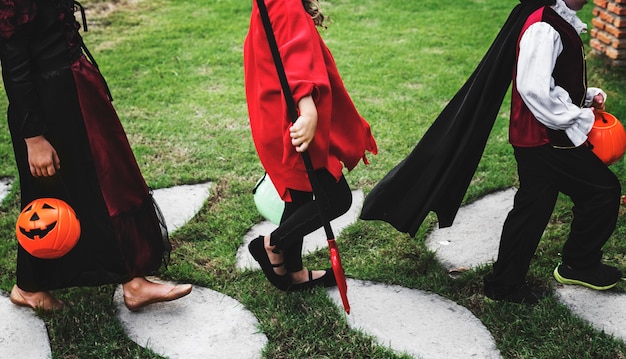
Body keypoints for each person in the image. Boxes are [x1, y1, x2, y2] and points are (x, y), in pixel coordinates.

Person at [0, 0, 191, 311]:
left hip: (75, 90)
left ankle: (131, 280)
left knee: (107, 181)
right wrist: (33, 137)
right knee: (69, 193)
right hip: (52, 106)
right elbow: (15, 68)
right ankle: (32, 286)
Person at [483, 0, 622, 304]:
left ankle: (503, 284)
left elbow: (551, 80)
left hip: (538, 138)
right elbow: (534, 91)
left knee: (533, 207)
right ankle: (578, 264)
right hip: (545, 139)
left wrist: (584, 96)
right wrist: (580, 119)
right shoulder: (544, 27)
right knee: (603, 191)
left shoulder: (554, 19)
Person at [243, 0, 377, 291]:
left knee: (301, 198)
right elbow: (294, 55)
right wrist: (308, 108)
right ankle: (271, 245)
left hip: (273, 116)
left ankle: (293, 272)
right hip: (292, 120)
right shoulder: (283, 2)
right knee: (336, 198)